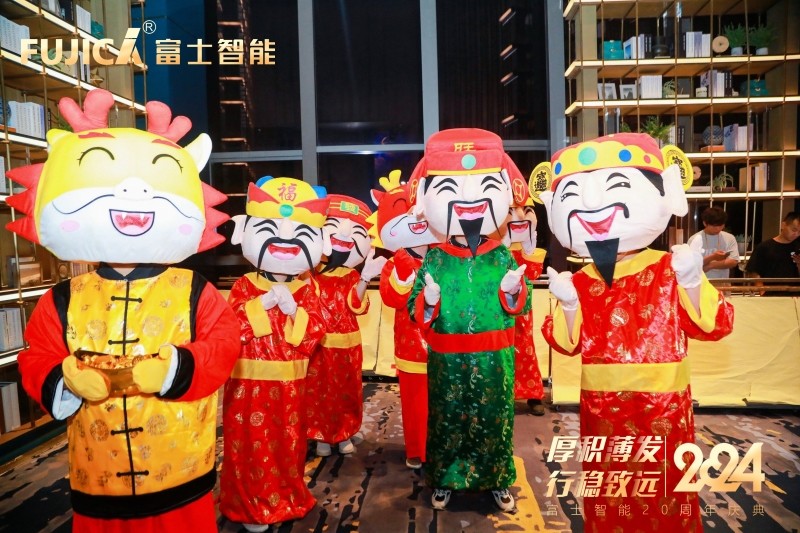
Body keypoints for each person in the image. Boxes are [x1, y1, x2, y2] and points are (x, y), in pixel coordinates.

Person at [7, 89, 240, 532]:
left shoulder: (195, 289)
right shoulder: (63, 296)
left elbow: (225, 344)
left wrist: (177, 369)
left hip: (179, 462)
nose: (133, 193)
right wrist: (62, 378)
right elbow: (36, 355)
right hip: (97, 467)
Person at [532, 133, 734, 532]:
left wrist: (693, 282)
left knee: (666, 487)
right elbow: (566, 344)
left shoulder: (668, 268)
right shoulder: (582, 280)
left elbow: (716, 325)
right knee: (610, 489)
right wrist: (569, 306)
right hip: (602, 408)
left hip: (663, 407)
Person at [406, 128, 531, 512]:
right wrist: (427, 301)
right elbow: (414, 309)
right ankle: (445, 479)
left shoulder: (501, 255)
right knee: (448, 419)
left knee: (494, 419)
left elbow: (522, 305)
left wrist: (513, 291)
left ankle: (497, 479)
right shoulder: (435, 257)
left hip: (494, 358)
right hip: (447, 359)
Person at [219, 177, 330, 532]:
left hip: (291, 386)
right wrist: (262, 304)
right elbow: (229, 330)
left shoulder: (308, 289)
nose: (285, 242)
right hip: (247, 386)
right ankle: (250, 506)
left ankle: (286, 498)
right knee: (249, 447)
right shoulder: (244, 286)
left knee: (288, 445)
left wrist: (295, 311)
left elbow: (316, 333)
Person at [305, 195, 387, 457]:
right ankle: (321, 435)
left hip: (347, 347)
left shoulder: (351, 275)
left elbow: (356, 305)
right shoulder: (309, 274)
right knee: (318, 391)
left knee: (346, 391)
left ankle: (343, 433)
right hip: (318, 346)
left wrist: (365, 278)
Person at [370, 170, 440, 469]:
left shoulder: (445, 258)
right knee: (415, 403)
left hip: (445, 344)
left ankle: (442, 450)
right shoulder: (394, 263)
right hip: (411, 346)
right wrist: (403, 274)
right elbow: (393, 299)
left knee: (446, 402)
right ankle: (417, 449)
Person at [500, 198, 547, 415]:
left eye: (525, 210)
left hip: (522, 306)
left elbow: (533, 274)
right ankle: (502, 393)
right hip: (498, 305)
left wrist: (528, 248)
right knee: (501, 347)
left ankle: (533, 393)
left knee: (525, 345)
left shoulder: (525, 245)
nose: (519, 215)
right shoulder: (494, 245)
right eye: (511, 210)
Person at [746, 212, 800, 289]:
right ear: (783, 225)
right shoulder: (764, 247)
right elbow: (754, 271)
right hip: (770, 291)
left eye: (799, 232)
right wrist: (761, 289)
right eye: (794, 230)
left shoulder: (798, 247)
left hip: (795, 292)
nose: (796, 234)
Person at [687, 206, 739, 279]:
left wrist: (710, 265)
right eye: (714, 226)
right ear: (705, 223)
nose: (718, 229)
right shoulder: (694, 239)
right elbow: (691, 264)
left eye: (721, 226)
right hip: (701, 283)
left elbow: (733, 261)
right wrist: (713, 257)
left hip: (723, 282)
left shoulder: (729, 238)